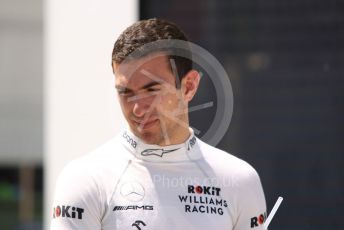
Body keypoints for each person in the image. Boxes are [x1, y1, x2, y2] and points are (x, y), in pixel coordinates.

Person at [51, 18, 267, 230]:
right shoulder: (85, 178)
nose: (137, 109)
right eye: (125, 92)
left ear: (189, 86)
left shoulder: (239, 181)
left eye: (152, 90)